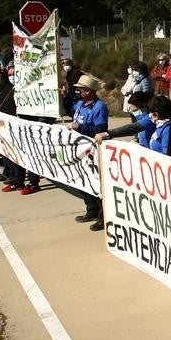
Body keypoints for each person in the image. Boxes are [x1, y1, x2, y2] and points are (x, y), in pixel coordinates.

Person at [68, 75, 108, 231]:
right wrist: (64, 96)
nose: (79, 91)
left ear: (90, 91)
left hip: (92, 150)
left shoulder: (99, 107)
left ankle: (101, 217)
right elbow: (69, 110)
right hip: (80, 149)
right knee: (82, 181)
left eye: (82, 89)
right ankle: (90, 210)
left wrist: (79, 128)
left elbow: (100, 130)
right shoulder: (80, 104)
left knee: (96, 184)